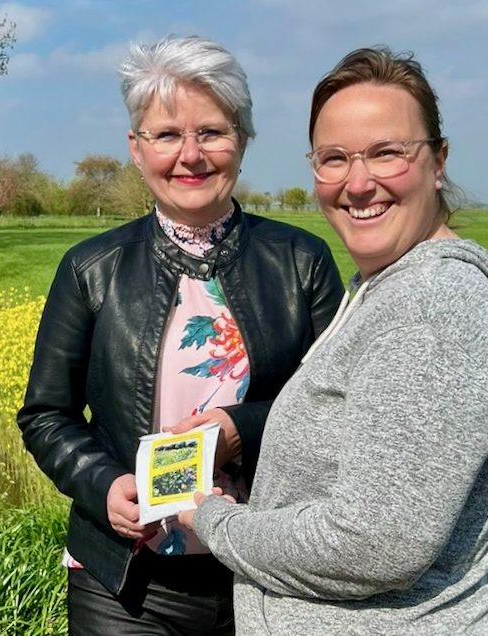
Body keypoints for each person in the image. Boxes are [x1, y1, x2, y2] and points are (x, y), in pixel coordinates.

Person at [181, 46, 488, 634]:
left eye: (387, 153)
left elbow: (371, 544)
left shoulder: (432, 307)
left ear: (438, 162)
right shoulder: (382, 287)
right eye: (333, 158)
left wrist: (214, 521)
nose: (358, 183)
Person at [17, 35, 344, 634]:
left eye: (211, 132)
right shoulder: (92, 269)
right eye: (167, 135)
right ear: (136, 150)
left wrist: (238, 431)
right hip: (125, 583)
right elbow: (46, 414)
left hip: (267, 574)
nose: (189, 155)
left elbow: (340, 408)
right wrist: (104, 486)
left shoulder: (303, 262)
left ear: (241, 141)